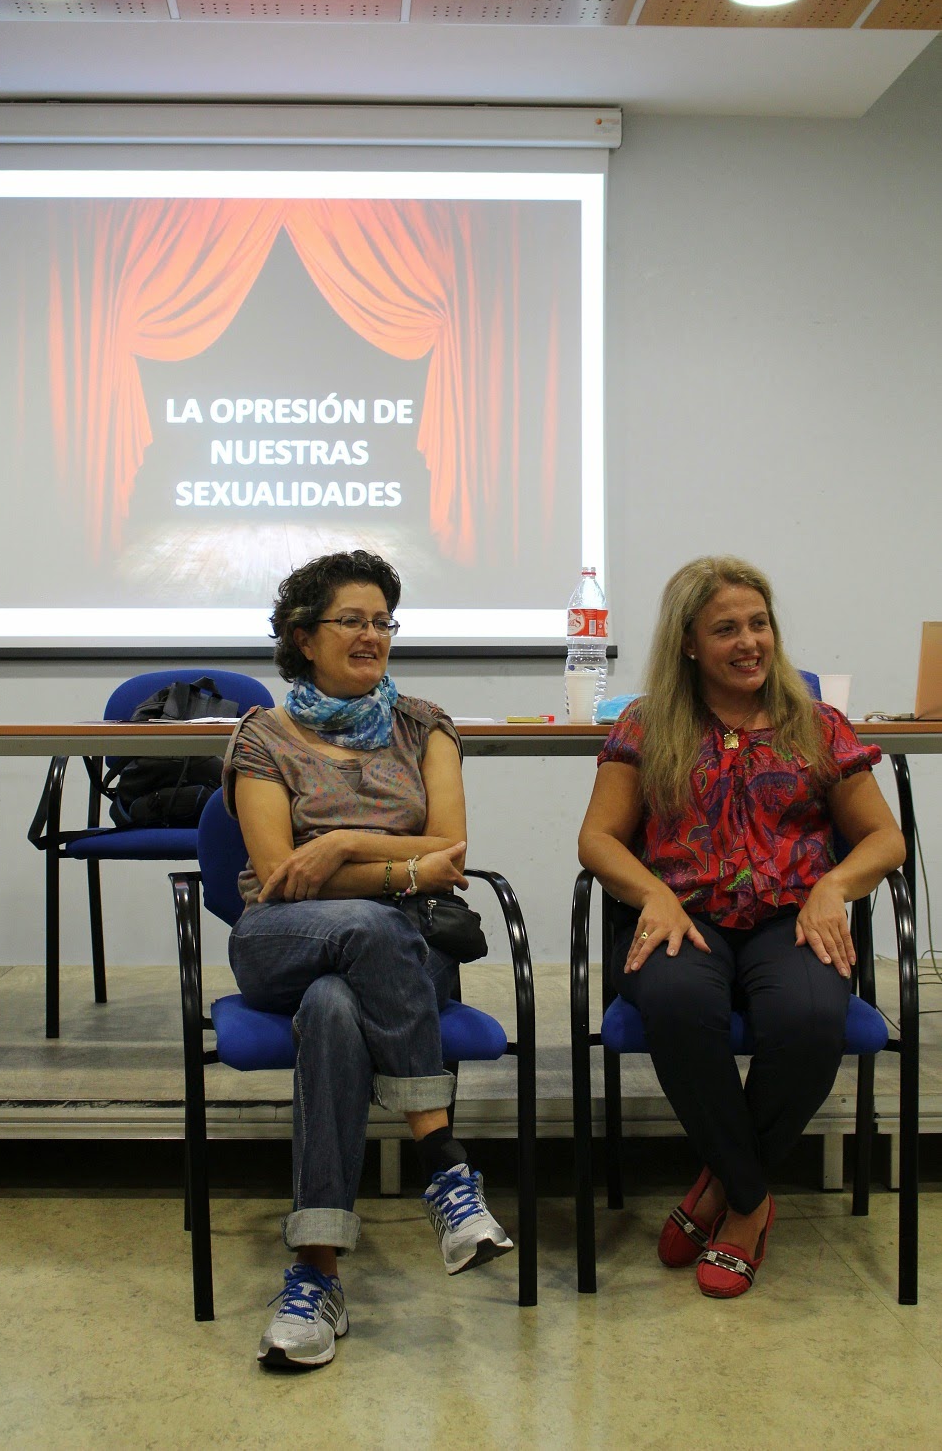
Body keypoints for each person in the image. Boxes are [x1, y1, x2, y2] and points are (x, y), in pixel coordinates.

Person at [578, 556, 904, 1299]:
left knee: (812, 1016)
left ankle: (723, 1188)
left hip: (791, 917)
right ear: (689, 643)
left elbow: (883, 839)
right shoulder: (646, 724)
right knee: (675, 1003)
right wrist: (651, 894)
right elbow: (597, 839)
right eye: (726, 629)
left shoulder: (816, 724)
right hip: (682, 915)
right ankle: (751, 1202)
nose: (749, 642)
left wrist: (834, 887)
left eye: (759, 624)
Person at [223, 548, 512, 1369]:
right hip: (285, 935)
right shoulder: (262, 737)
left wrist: (344, 844)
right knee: (366, 928)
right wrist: (400, 867)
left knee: (334, 1006)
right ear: (302, 637)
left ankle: (315, 1274)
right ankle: (443, 1165)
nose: (371, 635)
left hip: (408, 951)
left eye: (382, 621)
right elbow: (279, 876)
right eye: (351, 620)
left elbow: (451, 849)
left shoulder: (423, 725)